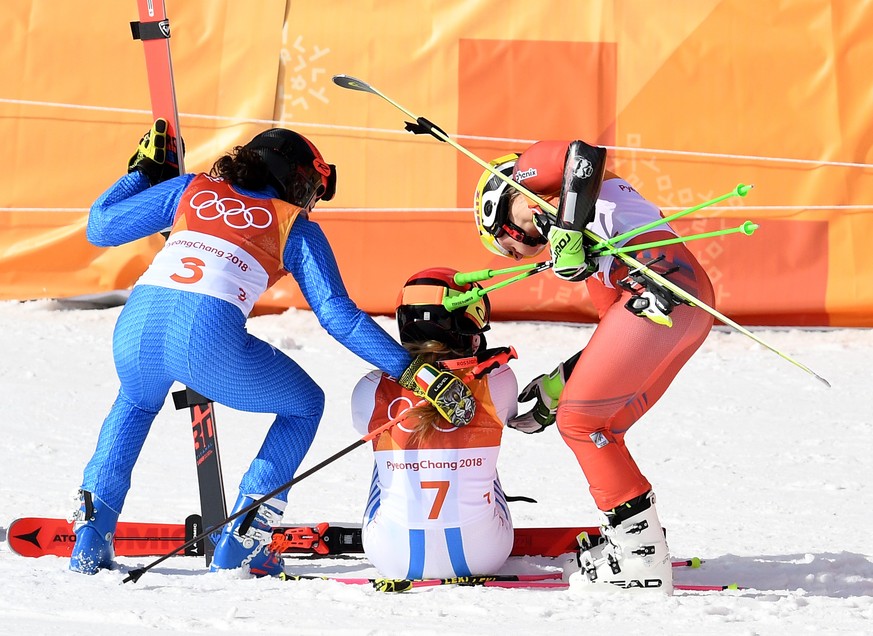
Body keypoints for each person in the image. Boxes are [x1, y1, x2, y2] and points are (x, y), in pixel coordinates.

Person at [69, 120, 473, 577]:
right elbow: (338, 317)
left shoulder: (189, 189)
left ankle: (89, 537)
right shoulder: (294, 227)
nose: (311, 201)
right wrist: (414, 371)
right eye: (313, 189)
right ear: (297, 179)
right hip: (206, 340)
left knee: (135, 404)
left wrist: (142, 172)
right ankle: (246, 542)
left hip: (135, 328)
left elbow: (100, 227)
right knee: (304, 405)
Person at [472, 140, 715, 594]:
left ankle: (641, 563)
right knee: (602, 425)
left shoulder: (529, 174)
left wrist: (566, 230)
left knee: (581, 423)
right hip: (673, 306)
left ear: (503, 201)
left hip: (662, 291)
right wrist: (557, 386)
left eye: (519, 236)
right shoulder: (585, 246)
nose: (535, 244)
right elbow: (613, 334)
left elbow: (583, 154)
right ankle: (640, 544)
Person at [350, 267, 518, 580]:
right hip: (486, 554)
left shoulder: (369, 387)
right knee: (484, 450)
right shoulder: (500, 380)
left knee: (382, 446)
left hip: (392, 558)